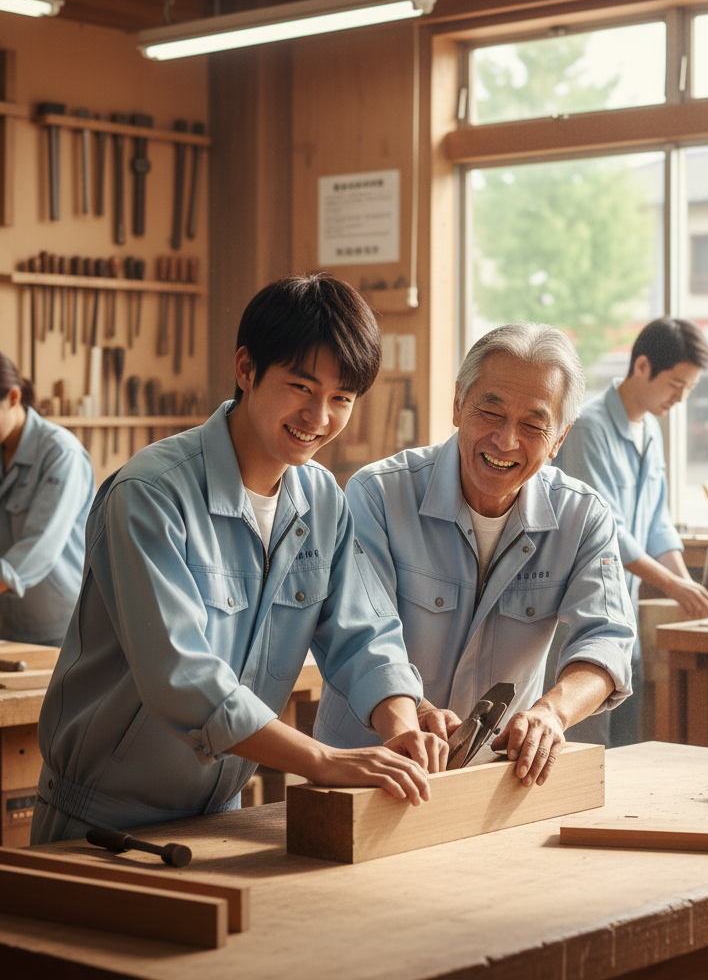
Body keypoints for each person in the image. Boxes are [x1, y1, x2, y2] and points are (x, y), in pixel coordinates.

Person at [33, 275, 445, 844]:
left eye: (342, 398)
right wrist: (322, 761)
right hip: (100, 822)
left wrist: (400, 727)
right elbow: (181, 678)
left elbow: (365, 635)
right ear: (247, 369)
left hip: (219, 817)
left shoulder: (322, 500)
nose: (319, 417)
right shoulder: (150, 494)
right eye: (301, 387)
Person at [315, 322, 636, 788]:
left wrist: (552, 713)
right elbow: (360, 634)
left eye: (533, 425)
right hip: (368, 770)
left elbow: (607, 639)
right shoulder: (378, 494)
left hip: (492, 784)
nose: (505, 440)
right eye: (490, 411)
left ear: (559, 439)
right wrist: (413, 712)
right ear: (458, 405)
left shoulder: (583, 516)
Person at [552, 317, 708, 747]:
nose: (680, 398)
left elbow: (658, 523)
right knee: (588, 747)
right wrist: (676, 588)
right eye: (675, 385)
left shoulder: (650, 432)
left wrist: (686, 587)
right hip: (580, 619)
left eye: (689, 389)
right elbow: (609, 533)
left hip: (624, 619)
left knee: (627, 743)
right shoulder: (588, 428)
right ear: (642, 366)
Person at [0, 347, 94, 647]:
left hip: (66, 634)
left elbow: (38, 547)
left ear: (13, 398)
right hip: (10, 630)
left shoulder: (61, 454)